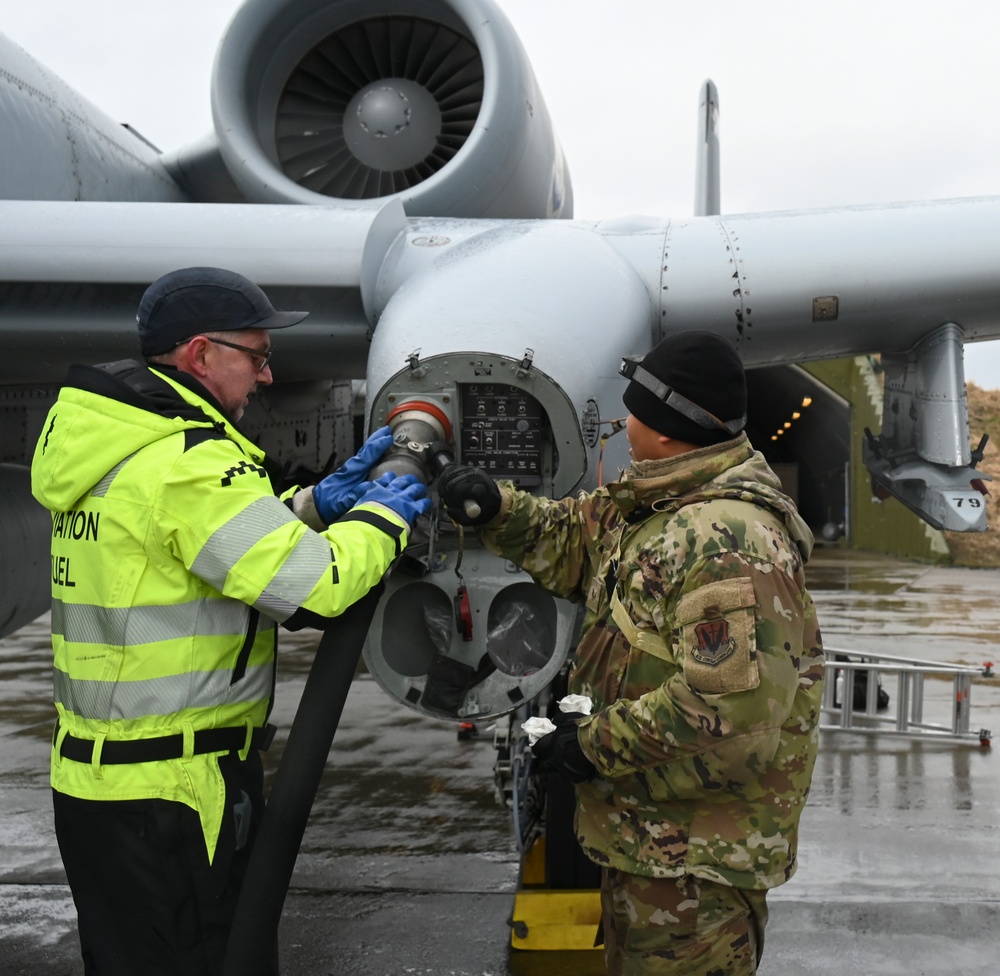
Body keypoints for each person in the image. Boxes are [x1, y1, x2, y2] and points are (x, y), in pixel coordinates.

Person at [32, 266, 430, 976]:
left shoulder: (120, 445)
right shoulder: (186, 464)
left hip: (101, 787)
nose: (267, 376)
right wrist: (383, 515)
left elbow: (197, 550)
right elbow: (316, 590)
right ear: (199, 355)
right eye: (256, 355)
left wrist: (312, 508)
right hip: (174, 795)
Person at [437, 330, 824, 976]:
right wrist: (494, 506)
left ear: (670, 428)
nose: (624, 421)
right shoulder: (661, 506)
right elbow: (576, 541)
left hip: (694, 867)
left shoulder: (725, 538)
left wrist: (590, 746)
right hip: (651, 843)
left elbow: (728, 708)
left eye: (635, 409)